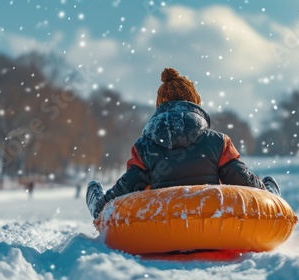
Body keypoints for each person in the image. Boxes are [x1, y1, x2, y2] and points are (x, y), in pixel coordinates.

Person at [86, 67, 280, 220]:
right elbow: (245, 183)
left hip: (164, 227)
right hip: (211, 225)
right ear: (195, 104)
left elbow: (126, 189)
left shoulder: (144, 147)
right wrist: (269, 193)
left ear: (160, 106)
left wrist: (100, 206)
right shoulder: (218, 142)